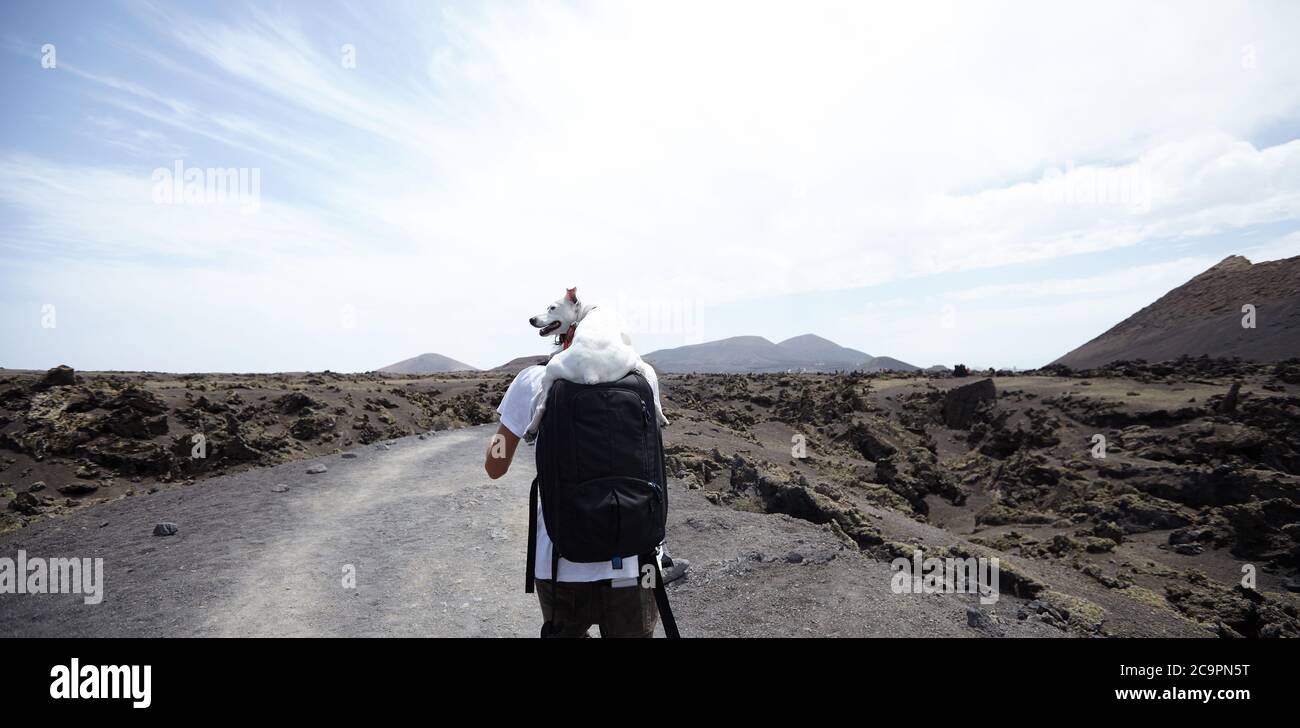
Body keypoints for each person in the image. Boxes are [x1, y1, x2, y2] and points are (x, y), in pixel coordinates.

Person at [485, 363, 685, 637]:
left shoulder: (533, 379)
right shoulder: (642, 373)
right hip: (638, 561)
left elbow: (494, 467)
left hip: (558, 564)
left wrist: (499, 437)